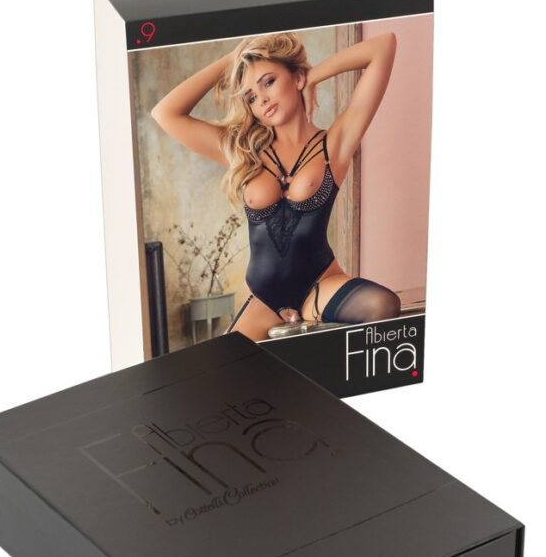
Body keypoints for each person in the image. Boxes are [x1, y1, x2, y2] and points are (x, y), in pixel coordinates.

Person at [151, 31, 401, 342]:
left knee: (382, 305)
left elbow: (383, 46)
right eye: (251, 97)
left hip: (319, 285)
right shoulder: (242, 151)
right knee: (222, 365)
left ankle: (313, 323)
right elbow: (165, 113)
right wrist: (235, 57)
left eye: (268, 82)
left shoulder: (334, 144)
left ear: (296, 77)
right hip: (264, 299)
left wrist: (312, 77)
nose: (262, 100)